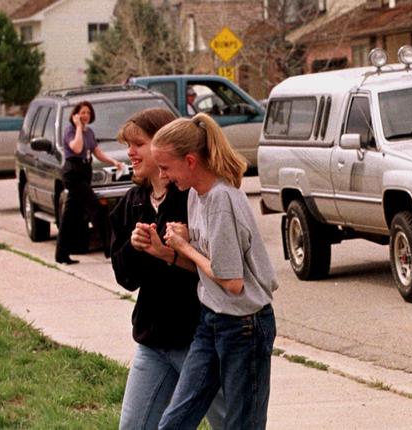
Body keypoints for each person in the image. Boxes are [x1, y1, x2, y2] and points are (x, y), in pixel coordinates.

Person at [151, 113, 277, 429]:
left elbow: (232, 281)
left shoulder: (222, 199)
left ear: (191, 160)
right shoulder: (196, 195)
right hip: (212, 319)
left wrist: (184, 246)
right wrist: (177, 243)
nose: (163, 176)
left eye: (166, 167)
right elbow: (210, 260)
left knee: (241, 424)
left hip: (244, 325)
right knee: (175, 420)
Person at [110, 108, 225, 429]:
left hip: (200, 341)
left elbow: (223, 273)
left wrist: (169, 253)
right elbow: (126, 279)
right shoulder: (131, 203)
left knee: (234, 424)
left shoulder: (193, 198)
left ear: (164, 143)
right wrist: (135, 248)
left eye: (138, 143)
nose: (130, 152)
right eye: (128, 145)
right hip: (153, 341)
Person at [55, 101, 124, 265]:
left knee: (70, 216)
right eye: (82, 112)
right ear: (76, 114)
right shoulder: (70, 131)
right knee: (98, 209)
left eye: (88, 112)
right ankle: (111, 250)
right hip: (74, 173)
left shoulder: (90, 132)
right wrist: (78, 127)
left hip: (85, 172)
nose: (85, 115)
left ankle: (61, 254)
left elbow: (97, 152)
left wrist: (113, 161)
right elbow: (77, 149)